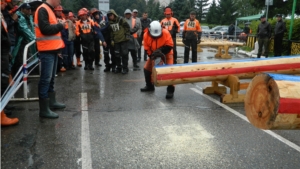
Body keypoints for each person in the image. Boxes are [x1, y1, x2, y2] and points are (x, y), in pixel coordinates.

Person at [34, 0, 67, 118]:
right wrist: (60, 25)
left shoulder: (49, 10)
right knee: (45, 79)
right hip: (46, 50)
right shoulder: (43, 9)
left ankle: (51, 102)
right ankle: (44, 109)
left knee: (51, 78)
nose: (59, 1)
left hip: (52, 50)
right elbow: (45, 29)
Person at [140, 21, 175, 99]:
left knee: (171, 71)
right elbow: (147, 48)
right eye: (154, 36)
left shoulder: (166, 33)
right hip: (154, 54)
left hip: (167, 53)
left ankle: (170, 90)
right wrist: (151, 56)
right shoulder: (146, 35)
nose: (155, 37)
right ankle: (149, 86)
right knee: (147, 69)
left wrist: (161, 50)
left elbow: (170, 45)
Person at [1, 0, 19, 126]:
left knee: (4, 80)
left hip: (4, 50)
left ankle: (3, 109)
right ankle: (1, 115)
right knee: (1, 81)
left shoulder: (2, 13)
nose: (5, 5)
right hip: (2, 50)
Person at [11, 3, 36, 77]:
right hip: (20, 42)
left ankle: (25, 76)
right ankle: (19, 77)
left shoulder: (29, 16)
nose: (29, 10)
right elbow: (24, 29)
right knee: (20, 60)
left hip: (26, 41)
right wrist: (35, 39)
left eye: (30, 9)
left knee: (26, 60)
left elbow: (31, 29)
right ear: (22, 9)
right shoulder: (20, 17)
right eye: (27, 9)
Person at [91, 8, 115, 72]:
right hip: (104, 38)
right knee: (106, 53)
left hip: (110, 37)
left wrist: (102, 28)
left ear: (99, 13)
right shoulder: (94, 23)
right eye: (94, 14)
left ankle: (113, 66)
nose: (96, 15)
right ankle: (107, 65)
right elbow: (98, 32)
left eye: (97, 13)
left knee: (113, 53)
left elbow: (108, 25)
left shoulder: (105, 17)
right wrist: (103, 40)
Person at [107, 9, 130, 74]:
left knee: (124, 54)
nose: (110, 17)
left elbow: (127, 27)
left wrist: (127, 35)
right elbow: (111, 32)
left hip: (123, 40)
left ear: (114, 14)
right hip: (116, 41)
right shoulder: (110, 23)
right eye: (108, 16)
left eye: (110, 15)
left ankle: (125, 68)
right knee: (117, 55)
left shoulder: (121, 19)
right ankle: (119, 67)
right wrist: (112, 39)